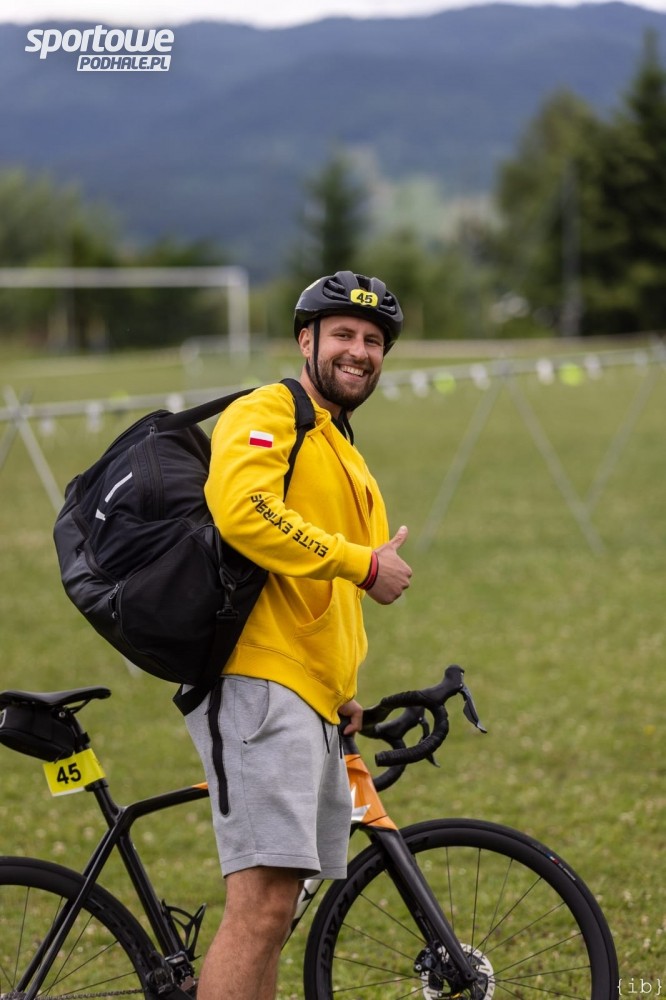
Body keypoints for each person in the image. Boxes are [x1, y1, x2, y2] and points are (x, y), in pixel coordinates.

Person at [185, 270, 413, 1000]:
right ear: (305, 340)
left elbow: (318, 588)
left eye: (373, 340)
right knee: (260, 909)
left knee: (276, 912)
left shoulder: (338, 441)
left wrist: (341, 690)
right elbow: (244, 512)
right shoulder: (269, 410)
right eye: (343, 333)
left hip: (308, 693)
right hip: (261, 681)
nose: (359, 351)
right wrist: (362, 561)